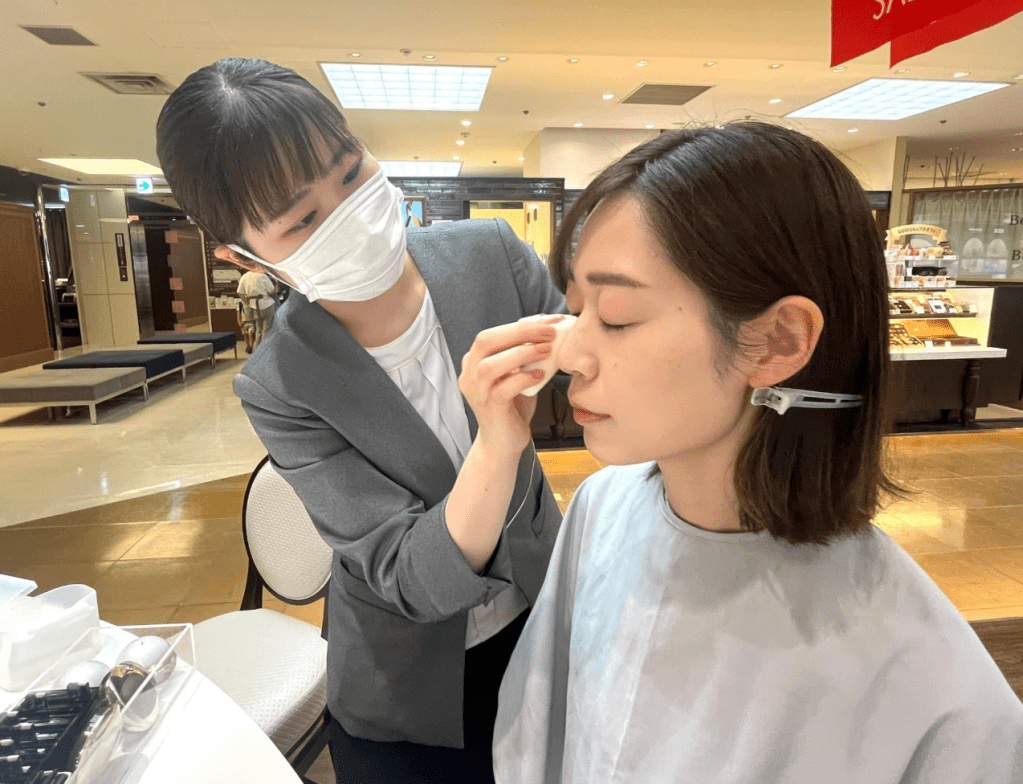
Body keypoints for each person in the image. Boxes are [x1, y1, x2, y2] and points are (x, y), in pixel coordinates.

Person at [493, 123, 1023, 783]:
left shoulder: (922, 678)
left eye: (618, 316)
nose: (568, 354)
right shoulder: (601, 507)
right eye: (573, 311)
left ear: (775, 340)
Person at [155, 58, 568, 783]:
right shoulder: (279, 385)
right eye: (303, 219)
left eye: (350, 173)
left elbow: (598, 369)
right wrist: (499, 441)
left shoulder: (489, 256)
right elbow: (414, 579)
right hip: (408, 692)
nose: (347, 214)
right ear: (241, 256)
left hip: (549, 624)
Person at [236, 269, 277, 353]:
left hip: (254, 305)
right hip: (266, 304)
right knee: (267, 329)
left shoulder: (245, 276)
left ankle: (257, 352)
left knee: (259, 330)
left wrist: (247, 302)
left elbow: (239, 292)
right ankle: (265, 352)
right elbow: (271, 292)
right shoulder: (262, 275)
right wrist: (276, 288)